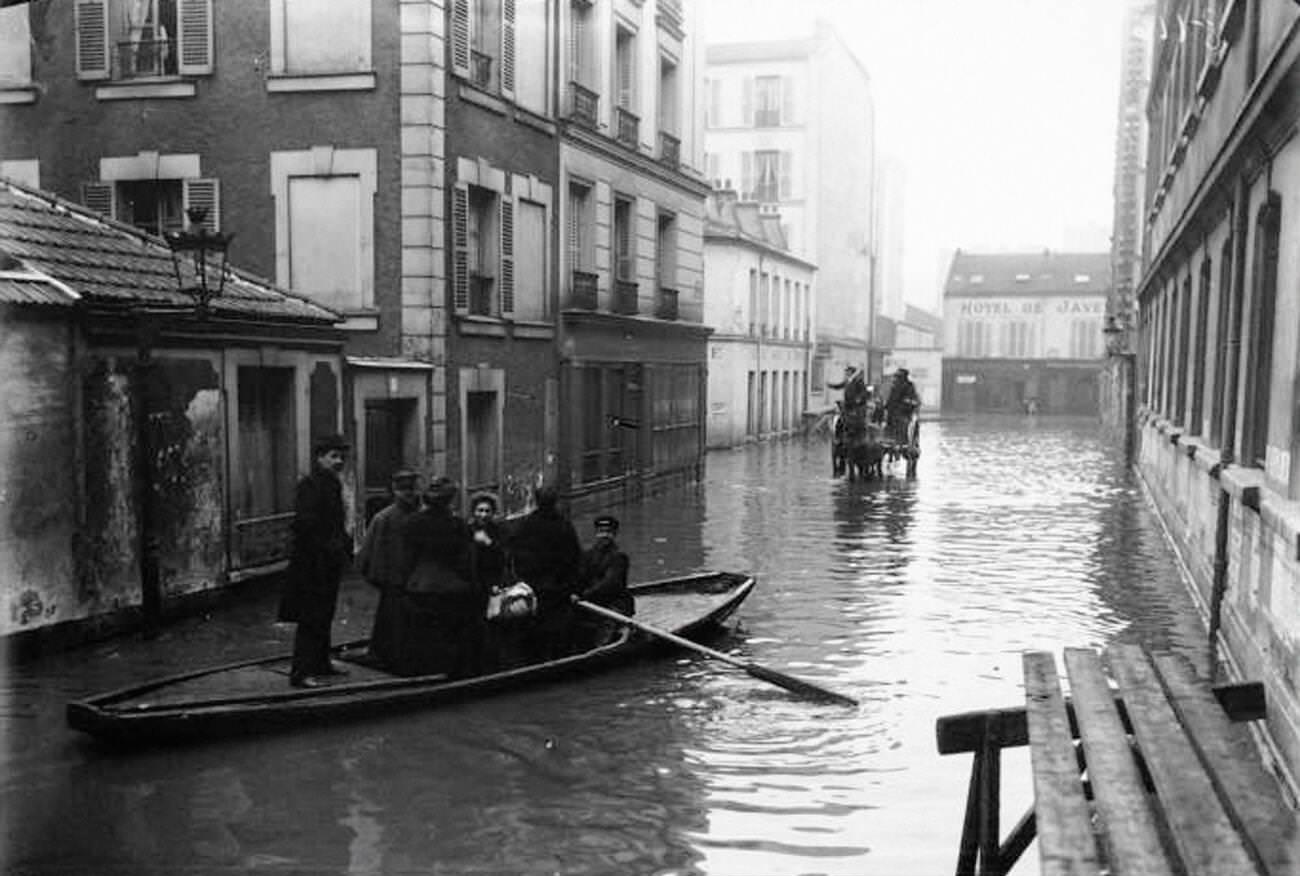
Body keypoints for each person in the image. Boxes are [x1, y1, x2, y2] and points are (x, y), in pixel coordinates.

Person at [278, 433, 353, 689]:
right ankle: (300, 673)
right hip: (310, 564)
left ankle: (321, 663)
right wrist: (329, 544)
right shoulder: (309, 486)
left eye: (342, 457)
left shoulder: (332, 483)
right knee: (310, 617)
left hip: (328, 562)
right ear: (319, 458)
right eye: (333, 456)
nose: (339, 461)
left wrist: (342, 545)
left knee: (325, 613)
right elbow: (305, 524)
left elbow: (336, 522)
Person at [395, 477, 481, 678]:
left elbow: (406, 559)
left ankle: (422, 672)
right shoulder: (458, 525)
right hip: (452, 587)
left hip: (420, 585)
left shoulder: (412, 523)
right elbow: (466, 561)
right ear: (450, 500)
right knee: (450, 635)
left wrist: (404, 584)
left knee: (422, 635)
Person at [508, 485, 583, 661]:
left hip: (532, 587)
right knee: (558, 628)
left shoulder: (524, 525)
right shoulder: (564, 525)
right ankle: (558, 659)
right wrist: (573, 587)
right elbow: (574, 558)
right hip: (559, 587)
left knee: (533, 627)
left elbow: (515, 554)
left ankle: (533, 660)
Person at [356, 469, 421, 668]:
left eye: (410, 489)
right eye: (403, 489)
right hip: (393, 578)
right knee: (391, 618)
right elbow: (369, 551)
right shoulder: (384, 518)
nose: (407, 493)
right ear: (394, 491)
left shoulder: (418, 515)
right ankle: (388, 655)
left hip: (410, 578)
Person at [573, 514, 633, 650]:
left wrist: (585, 595)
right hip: (591, 601)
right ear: (596, 533)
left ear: (614, 534)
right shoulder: (587, 554)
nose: (604, 536)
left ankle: (600, 647)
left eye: (608, 532)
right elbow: (579, 578)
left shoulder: (619, 557)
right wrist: (575, 593)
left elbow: (610, 584)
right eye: (601, 532)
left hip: (614, 603)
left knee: (606, 626)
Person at [884, 368, 921, 441]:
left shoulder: (909, 386)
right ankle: (889, 436)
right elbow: (891, 399)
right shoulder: (894, 387)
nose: (896, 378)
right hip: (893, 412)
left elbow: (911, 400)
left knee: (903, 423)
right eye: (896, 376)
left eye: (898, 376)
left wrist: (904, 405)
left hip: (904, 412)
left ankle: (903, 440)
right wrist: (886, 407)